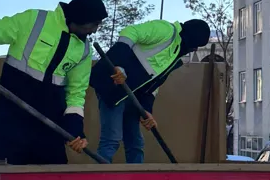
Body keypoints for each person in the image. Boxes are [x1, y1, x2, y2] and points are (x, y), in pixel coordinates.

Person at [0, 0, 106, 164]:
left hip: (48, 131)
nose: (94, 30)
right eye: (93, 24)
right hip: (10, 123)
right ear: (80, 17)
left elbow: (76, 94)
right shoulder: (34, 20)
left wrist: (75, 131)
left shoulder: (84, 50)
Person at [91, 18, 212, 163]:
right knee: (112, 139)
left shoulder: (174, 55)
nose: (194, 50)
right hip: (113, 87)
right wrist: (119, 66)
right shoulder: (166, 30)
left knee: (136, 144)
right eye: (195, 46)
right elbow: (130, 31)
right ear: (190, 39)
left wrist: (147, 110)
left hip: (132, 96)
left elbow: (154, 86)